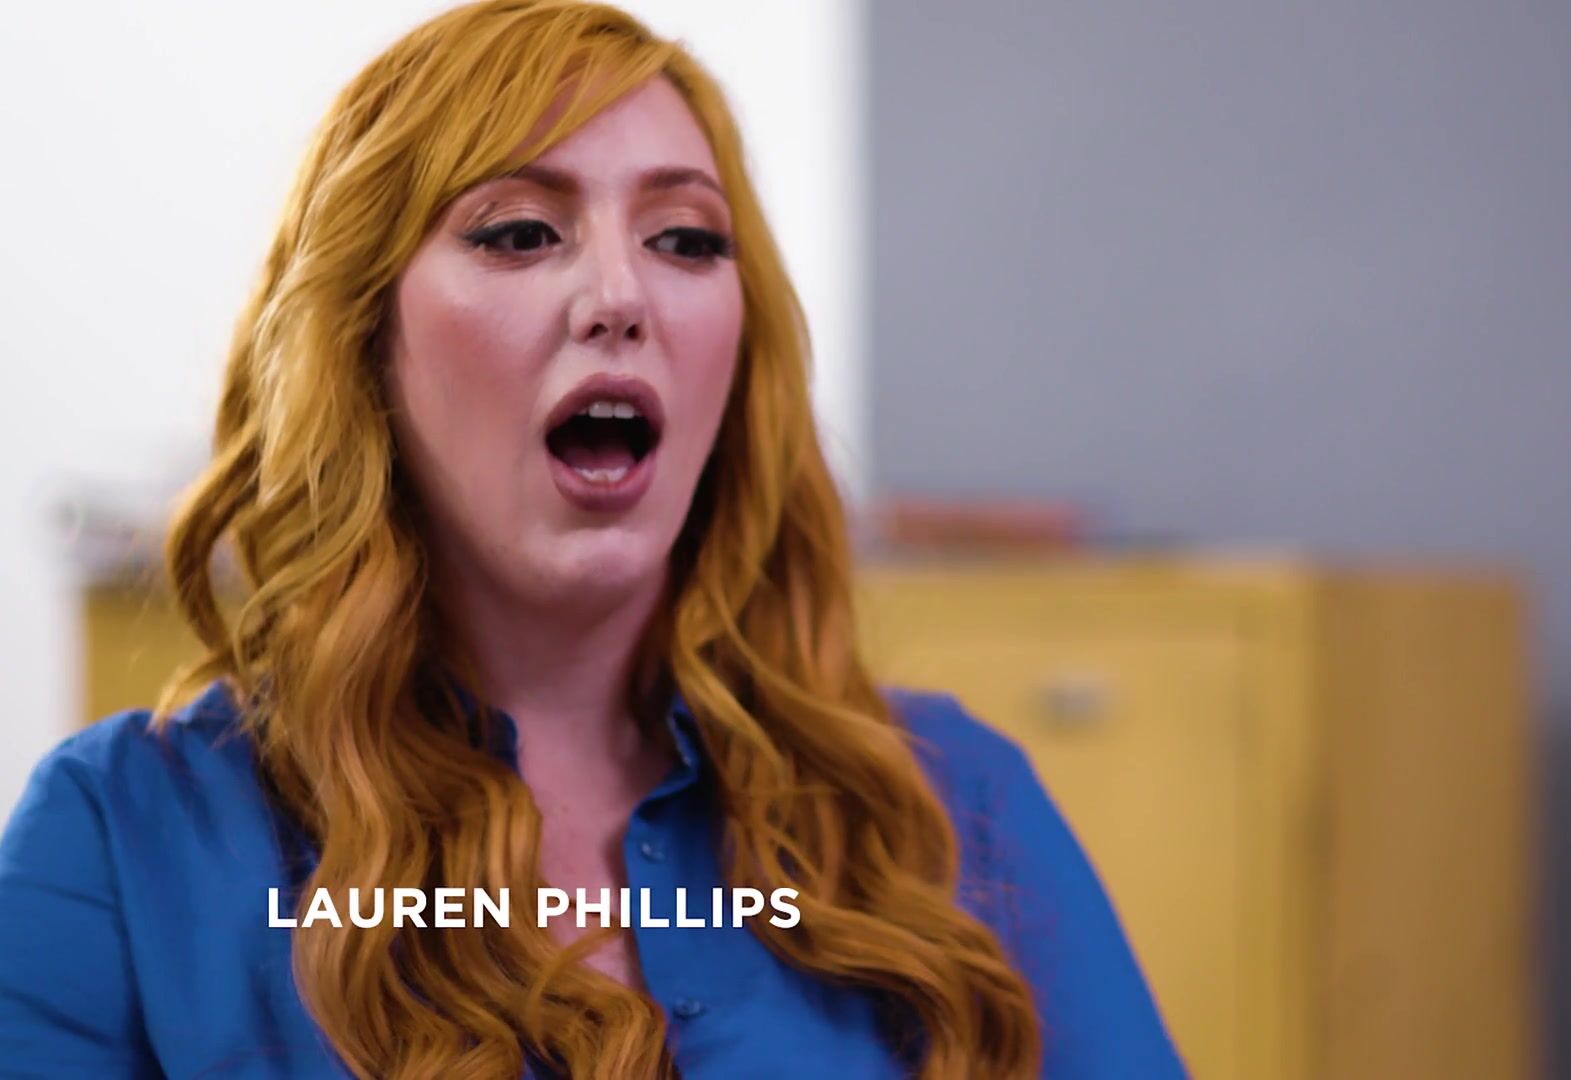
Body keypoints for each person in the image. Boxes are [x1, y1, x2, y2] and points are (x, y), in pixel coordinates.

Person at [0, 1, 1183, 1077]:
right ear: (363, 342)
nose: (621, 296)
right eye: (520, 232)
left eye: (686, 239)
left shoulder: (957, 806)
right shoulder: (120, 842)